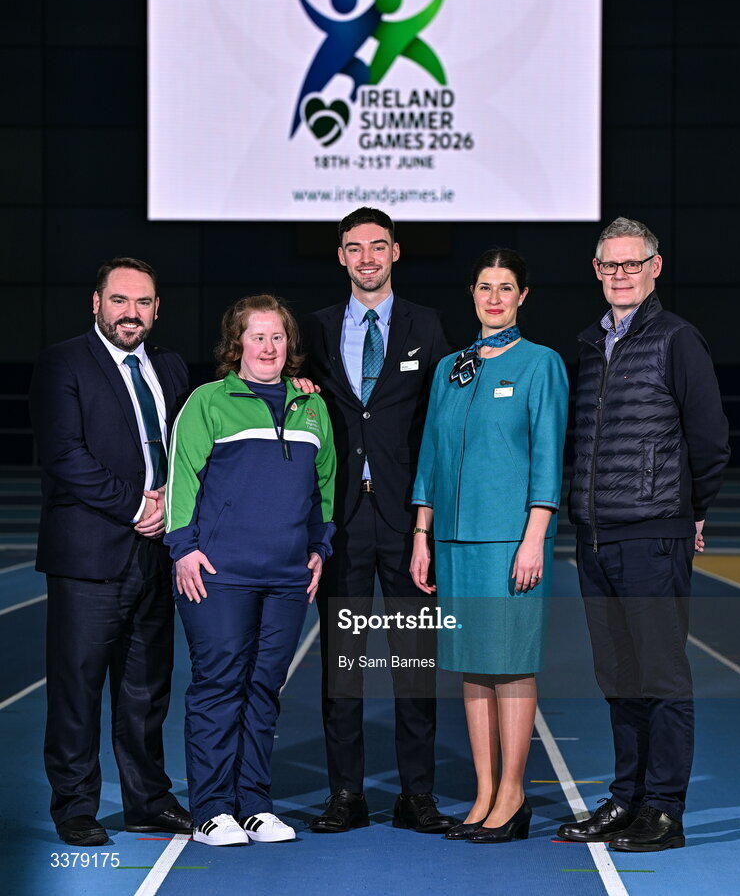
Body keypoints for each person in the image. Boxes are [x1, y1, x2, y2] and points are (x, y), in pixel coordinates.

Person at [559, 218, 730, 852]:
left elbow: (711, 440)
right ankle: (627, 797)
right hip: (596, 538)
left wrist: (690, 510)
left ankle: (664, 809)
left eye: (632, 265)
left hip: (653, 536)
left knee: (660, 677)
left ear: (655, 268)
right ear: (597, 271)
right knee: (618, 677)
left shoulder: (677, 339)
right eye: (610, 266)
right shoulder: (589, 342)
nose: (621, 275)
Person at [29, 257, 192, 846]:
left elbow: (196, 443)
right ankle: (75, 806)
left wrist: (170, 501)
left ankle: (148, 801)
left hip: (154, 557)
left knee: (147, 690)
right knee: (77, 688)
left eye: (143, 302)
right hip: (90, 556)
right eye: (119, 300)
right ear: (95, 303)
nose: (131, 312)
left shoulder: (170, 368)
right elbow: (64, 455)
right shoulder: (64, 363)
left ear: (156, 309)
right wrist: (138, 507)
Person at [302, 207, 455, 834]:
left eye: (378, 247)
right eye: (354, 248)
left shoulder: (429, 325)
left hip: (405, 521)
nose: (367, 258)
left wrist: (430, 520)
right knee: (343, 664)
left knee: (414, 661)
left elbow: (442, 428)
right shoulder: (309, 332)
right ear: (341, 256)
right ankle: (346, 795)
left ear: (396, 252)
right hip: (340, 520)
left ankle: (416, 794)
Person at [163, 295, 336, 847]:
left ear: (290, 346)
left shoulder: (313, 407)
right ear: (235, 344)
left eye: (278, 337)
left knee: (265, 688)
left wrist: (319, 546)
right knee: (218, 687)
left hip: (286, 577)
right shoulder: (208, 403)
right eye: (256, 337)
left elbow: (324, 487)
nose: (268, 347)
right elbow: (182, 477)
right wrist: (183, 549)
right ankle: (213, 808)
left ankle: (255, 804)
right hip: (218, 574)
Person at [410, 248, 568, 844]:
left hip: (509, 540)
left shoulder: (541, 364)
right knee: (472, 669)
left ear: (522, 295)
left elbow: (548, 456)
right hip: (453, 541)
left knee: (511, 666)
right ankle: (483, 792)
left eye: (506, 287)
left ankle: (514, 794)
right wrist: (422, 533)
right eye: (484, 286)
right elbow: (429, 452)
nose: (494, 297)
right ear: (472, 294)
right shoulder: (452, 366)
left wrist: (534, 538)